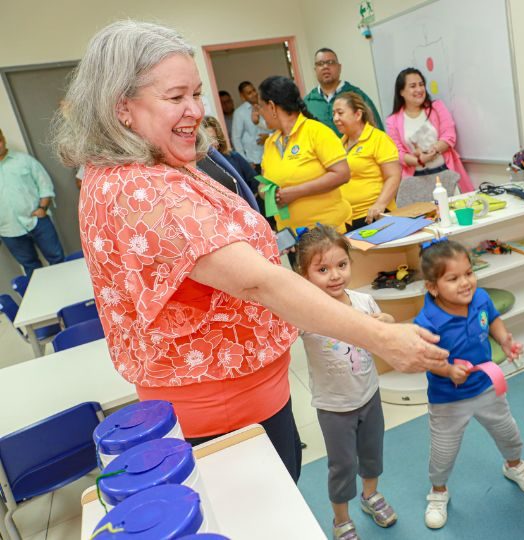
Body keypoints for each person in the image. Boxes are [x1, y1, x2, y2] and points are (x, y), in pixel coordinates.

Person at [53, 20, 448, 482]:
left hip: (233, 396)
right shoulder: (142, 189)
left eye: (196, 93)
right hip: (224, 409)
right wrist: (379, 339)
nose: (196, 110)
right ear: (122, 106)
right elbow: (259, 281)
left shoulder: (138, 168)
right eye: (176, 97)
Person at [413, 238, 524, 530]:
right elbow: (424, 358)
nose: (465, 282)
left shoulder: (480, 298)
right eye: (453, 278)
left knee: (508, 432)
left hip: (486, 387)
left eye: (468, 273)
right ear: (433, 287)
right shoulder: (427, 320)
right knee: (443, 452)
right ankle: (438, 491)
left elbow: (492, 319)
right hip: (448, 399)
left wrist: (505, 341)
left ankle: (515, 466)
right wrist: (447, 370)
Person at [295, 225, 397, 540]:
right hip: (334, 407)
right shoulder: (304, 313)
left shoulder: (364, 301)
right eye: (322, 269)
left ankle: (371, 495)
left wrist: (386, 322)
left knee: (372, 453)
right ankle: (341, 519)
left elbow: (386, 329)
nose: (335, 275)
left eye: (341, 265)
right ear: (304, 275)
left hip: (369, 395)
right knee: (342, 465)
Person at [257, 75, 352, 234]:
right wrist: (269, 194)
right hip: (292, 235)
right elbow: (263, 182)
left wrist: (295, 192)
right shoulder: (270, 142)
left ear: (272, 107)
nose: (260, 113)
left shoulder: (316, 131)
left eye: (261, 106)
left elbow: (342, 174)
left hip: (328, 233)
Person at [384, 68, 474, 199]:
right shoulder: (392, 121)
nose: (419, 89)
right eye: (413, 86)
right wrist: (419, 160)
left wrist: (434, 150)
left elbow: (449, 135)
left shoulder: (437, 107)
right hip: (417, 181)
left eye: (421, 84)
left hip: (446, 173)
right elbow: (398, 153)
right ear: (401, 92)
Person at [0, 127, 65, 277]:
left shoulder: (24, 160)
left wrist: (43, 207)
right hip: (9, 230)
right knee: (31, 269)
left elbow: (44, 184)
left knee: (57, 260)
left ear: (3, 139)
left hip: (37, 221)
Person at [332, 92, 401, 231]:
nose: (335, 118)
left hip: (373, 216)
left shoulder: (378, 139)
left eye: (340, 113)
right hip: (347, 219)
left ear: (358, 114)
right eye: (333, 114)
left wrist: (380, 204)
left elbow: (394, 175)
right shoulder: (339, 144)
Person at [304, 48, 383, 137]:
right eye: (320, 64)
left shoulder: (357, 96)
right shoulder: (308, 102)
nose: (325, 67)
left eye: (330, 62)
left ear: (339, 67)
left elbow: (377, 132)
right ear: (315, 70)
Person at [201, 116, 258, 196]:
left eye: (213, 138)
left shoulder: (234, 157)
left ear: (219, 139)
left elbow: (256, 183)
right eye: (207, 140)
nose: (211, 143)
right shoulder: (199, 169)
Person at [231, 81, 270, 171]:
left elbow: (273, 127)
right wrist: (245, 161)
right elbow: (236, 138)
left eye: (254, 90)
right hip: (254, 160)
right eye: (249, 93)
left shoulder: (265, 106)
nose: (254, 94)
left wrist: (268, 136)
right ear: (243, 96)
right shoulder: (239, 113)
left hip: (270, 154)